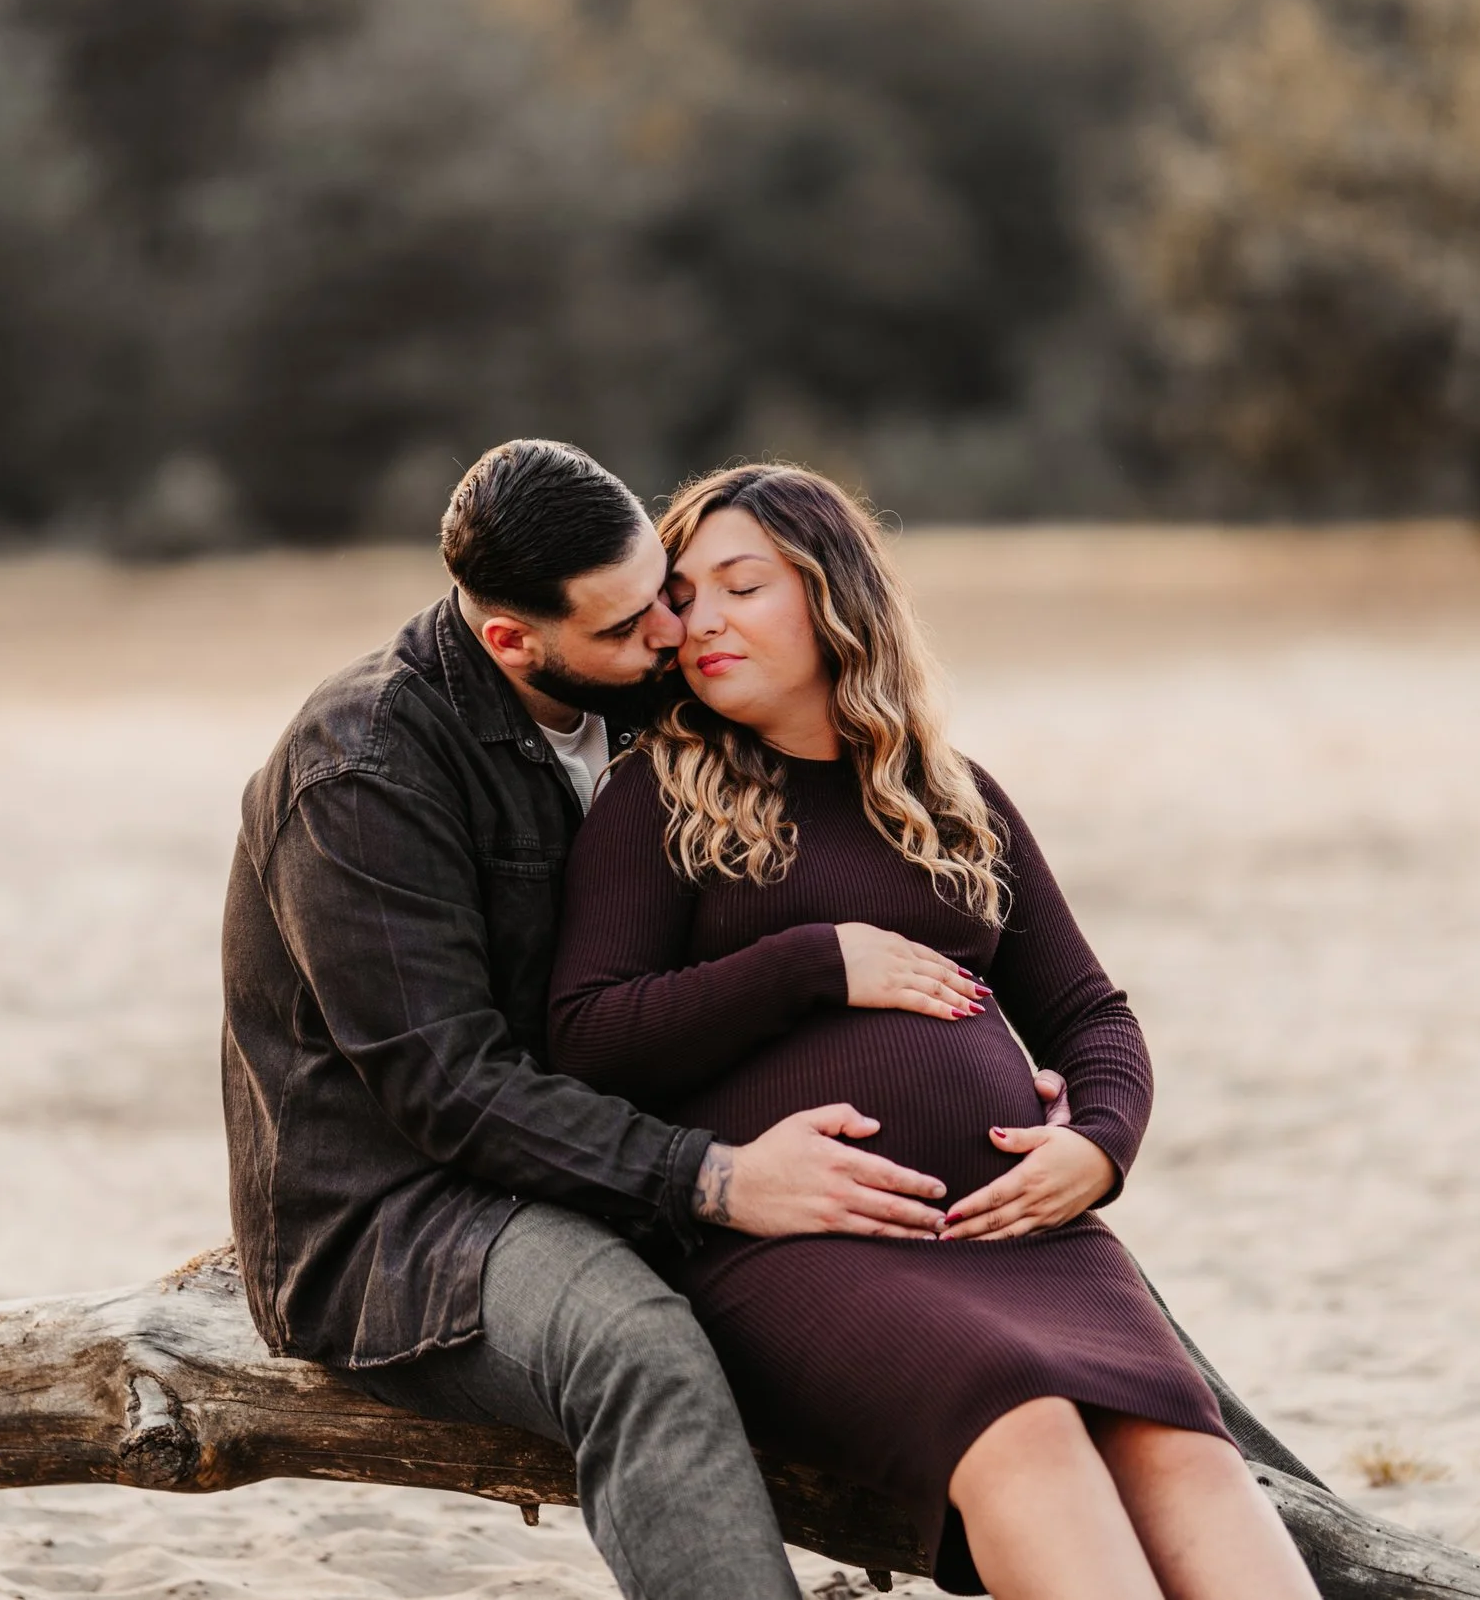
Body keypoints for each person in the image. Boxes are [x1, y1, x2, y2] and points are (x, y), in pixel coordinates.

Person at [220, 438, 1080, 1600]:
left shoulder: (643, 690)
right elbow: (449, 1088)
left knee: (1080, 1314)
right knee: (640, 1348)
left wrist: (1006, 1086)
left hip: (628, 1166)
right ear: (512, 642)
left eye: (665, 597)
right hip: (411, 1215)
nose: (671, 638)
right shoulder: (364, 769)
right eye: (629, 627)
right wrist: (716, 1178)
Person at [546, 464, 1329, 1600]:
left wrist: (1098, 1143)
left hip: (1023, 1237)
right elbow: (584, 1033)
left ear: (833, 596)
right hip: (803, 1243)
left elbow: (1089, 1011)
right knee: (1026, 1430)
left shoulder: (952, 796)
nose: (700, 618)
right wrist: (812, 961)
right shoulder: (658, 793)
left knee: (1189, 1454)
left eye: (742, 584)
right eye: (683, 593)